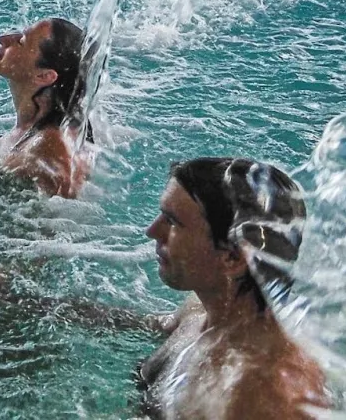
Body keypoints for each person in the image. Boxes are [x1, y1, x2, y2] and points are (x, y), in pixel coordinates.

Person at [138, 157, 328, 420]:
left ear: (234, 258)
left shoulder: (265, 396)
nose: (152, 231)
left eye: (172, 222)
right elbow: (156, 325)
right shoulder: (202, 310)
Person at [0, 17, 92, 198]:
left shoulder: (49, 146)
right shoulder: (33, 133)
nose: (4, 38)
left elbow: (62, 217)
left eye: (21, 41)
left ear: (44, 76)